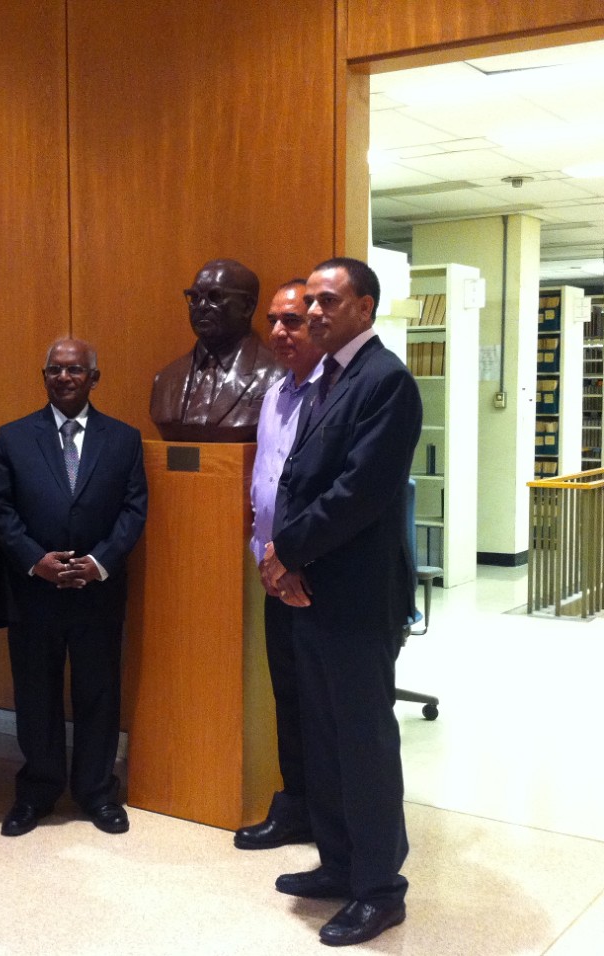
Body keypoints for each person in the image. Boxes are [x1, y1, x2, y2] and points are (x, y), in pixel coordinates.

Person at [262, 257, 421, 947]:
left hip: (357, 597)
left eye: (331, 301)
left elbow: (356, 494)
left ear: (366, 307)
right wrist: (285, 560)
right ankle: (338, 863)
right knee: (323, 737)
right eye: (313, 301)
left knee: (362, 743)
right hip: (313, 590)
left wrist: (287, 551)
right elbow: (298, 478)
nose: (316, 312)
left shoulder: (386, 383)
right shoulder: (328, 378)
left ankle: (380, 888)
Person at [0, 338, 148, 837]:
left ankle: (97, 793)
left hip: (98, 590)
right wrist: (37, 561)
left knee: (99, 693)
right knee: (37, 694)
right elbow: (0, 507)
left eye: (75, 370)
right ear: (44, 376)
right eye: (54, 369)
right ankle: (37, 792)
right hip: (35, 590)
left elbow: (134, 510)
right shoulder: (13, 437)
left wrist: (99, 562)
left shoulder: (124, 439)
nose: (64, 377)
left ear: (94, 377)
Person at [233, 279, 323, 851]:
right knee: (288, 700)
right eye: (275, 321)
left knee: (323, 706)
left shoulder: (334, 395)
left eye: (292, 320)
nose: (281, 332)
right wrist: (264, 559)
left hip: (315, 578)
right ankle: (296, 808)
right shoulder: (273, 396)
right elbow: (264, 484)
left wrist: (293, 562)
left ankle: (331, 819)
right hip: (273, 575)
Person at [149, 258, 284, 442]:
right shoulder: (165, 379)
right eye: (194, 298)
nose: (202, 307)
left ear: (248, 306)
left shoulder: (276, 375)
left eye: (215, 297)